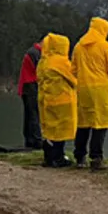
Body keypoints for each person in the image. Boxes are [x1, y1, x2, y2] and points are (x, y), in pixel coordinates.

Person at [70, 17, 108, 171]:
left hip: (83, 88)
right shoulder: (106, 46)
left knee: (83, 124)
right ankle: (96, 158)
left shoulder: (78, 47)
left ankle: (79, 157)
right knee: (100, 124)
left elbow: (73, 70)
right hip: (101, 89)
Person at [35, 33, 77, 168]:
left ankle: (48, 157)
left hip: (45, 100)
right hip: (61, 100)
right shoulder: (60, 62)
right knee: (61, 131)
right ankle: (58, 158)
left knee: (49, 130)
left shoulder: (44, 61)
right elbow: (74, 79)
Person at [18, 40, 44, 149]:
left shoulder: (33, 52)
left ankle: (30, 140)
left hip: (27, 85)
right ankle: (37, 140)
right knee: (34, 114)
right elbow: (41, 70)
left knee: (30, 114)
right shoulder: (35, 53)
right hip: (30, 85)